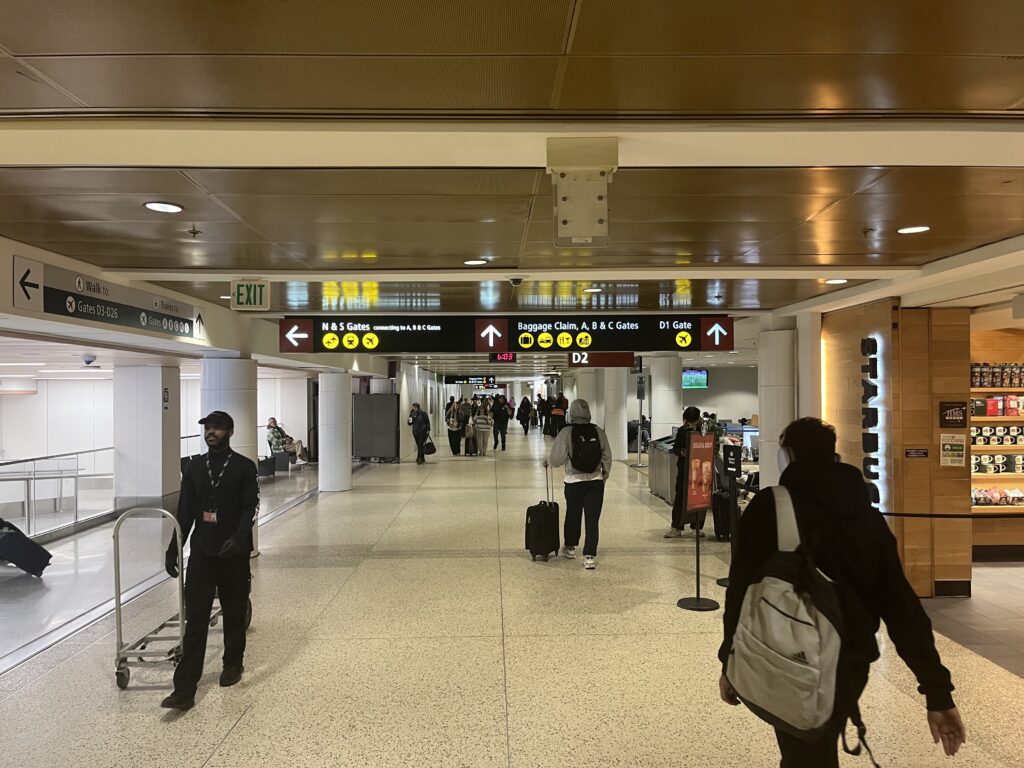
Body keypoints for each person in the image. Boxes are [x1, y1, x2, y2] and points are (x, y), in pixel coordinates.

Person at [718, 417, 965, 767]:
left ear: (787, 456)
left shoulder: (770, 507)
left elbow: (740, 590)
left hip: (790, 653)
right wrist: (937, 692)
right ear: (833, 456)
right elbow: (902, 608)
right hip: (851, 662)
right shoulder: (867, 516)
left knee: (803, 754)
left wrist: (729, 659)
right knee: (815, 749)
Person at [161, 411, 259, 711]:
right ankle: (184, 688)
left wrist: (239, 538)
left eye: (217, 428)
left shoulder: (244, 467)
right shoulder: (194, 467)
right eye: (207, 428)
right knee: (196, 617)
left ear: (230, 431)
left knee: (234, 612)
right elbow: (186, 510)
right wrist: (174, 547)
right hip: (202, 553)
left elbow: (250, 508)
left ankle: (233, 663)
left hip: (233, 554)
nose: (211, 433)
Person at [544, 399, 612, 570]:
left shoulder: (567, 432)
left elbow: (557, 459)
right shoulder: (598, 431)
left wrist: (548, 462)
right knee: (592, 519)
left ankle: (570, 547)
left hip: (574, 481)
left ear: (571, 413)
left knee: (573, 514)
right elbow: (607, 456)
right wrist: (603, 476)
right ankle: (589, 556)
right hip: (595, 482)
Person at [665, 406, 705, 538]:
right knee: (681, 497)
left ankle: (695, 527)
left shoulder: (703, 430)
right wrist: (682, 452)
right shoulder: (683, 430)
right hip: (685, 468)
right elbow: (676, 448)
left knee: (698, 497)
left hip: (699, 468)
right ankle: (677, 527)